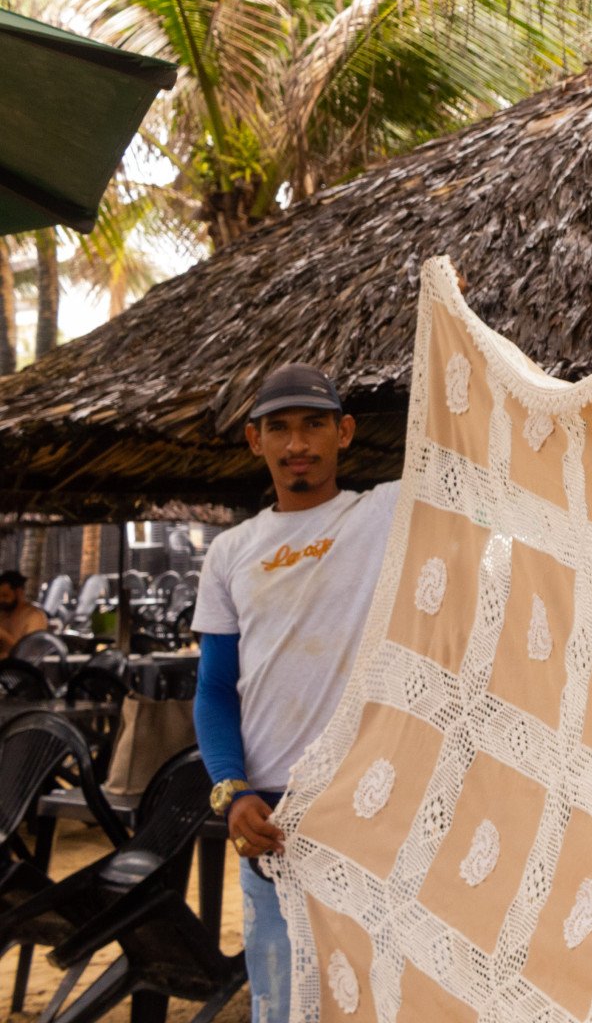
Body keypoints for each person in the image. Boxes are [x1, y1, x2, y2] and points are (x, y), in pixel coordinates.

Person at [191, 365, 398, 1023]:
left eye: (313, 423)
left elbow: (479, 441)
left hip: (371, 802)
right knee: (283, 1002)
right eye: (278, 427)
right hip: (271, 817)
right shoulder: (230, 553)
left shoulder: (387, 514)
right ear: (255, 441)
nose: (297, 442)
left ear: (344, 432)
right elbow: (215, 689)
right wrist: (232, 789)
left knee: (379, 994)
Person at [0, 570, 49, 656]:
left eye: (5, 595)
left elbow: (28, 653)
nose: (1, 600)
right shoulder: (3, 614)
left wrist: (4, 635)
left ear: (19, 592)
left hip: (20, 668)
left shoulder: (34, 616)